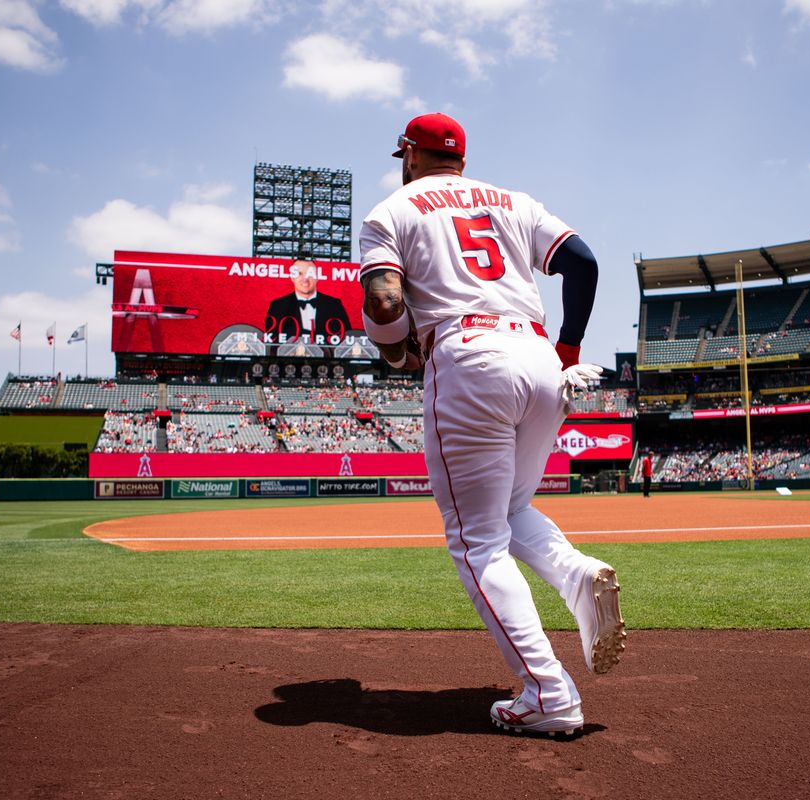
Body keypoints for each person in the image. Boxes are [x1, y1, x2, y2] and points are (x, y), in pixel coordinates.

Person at [359, 112, 625, 737]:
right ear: (461, 158)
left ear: (409, 156)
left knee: (476, 541)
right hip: (539, 359)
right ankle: (574, 573)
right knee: (510, 509)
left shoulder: (391, 211)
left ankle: (548, 693)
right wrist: (567, 349)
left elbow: (385, 302)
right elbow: (583, 263)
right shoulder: (513, 201)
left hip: (469, 355)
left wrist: (398, 352)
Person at [265, 260, 353, 343]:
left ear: (317, 277)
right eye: (299, 274)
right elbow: (272, 341)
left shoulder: (333, 304)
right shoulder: (278, 305)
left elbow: (346, 338)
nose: (305, 279)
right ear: (292, 277)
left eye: (309, 274)